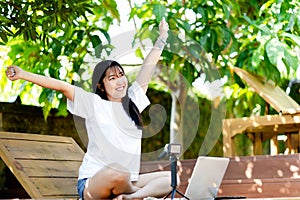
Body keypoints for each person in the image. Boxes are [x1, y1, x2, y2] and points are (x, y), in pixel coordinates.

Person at [6, 19, 177, 200]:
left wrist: (163, 37)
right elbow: (62, 86)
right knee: (118, 171)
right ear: (101, 86)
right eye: (112, 78)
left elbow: (148, 67)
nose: (120, 81)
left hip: (128, 182)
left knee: (172, 178)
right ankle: (136, 194)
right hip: (95, 183)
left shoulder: (133, 102)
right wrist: (23, 74)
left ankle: (130, 197)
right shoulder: (94, 103)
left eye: (121, 75)